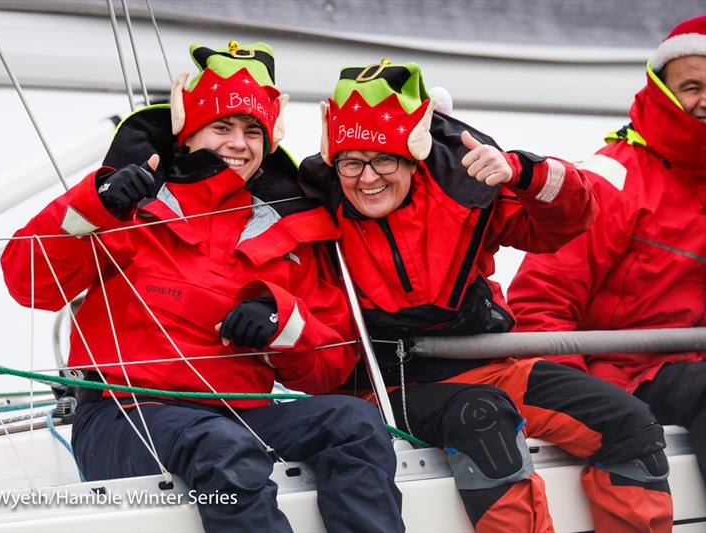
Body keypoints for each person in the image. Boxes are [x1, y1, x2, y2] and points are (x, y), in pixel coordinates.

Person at [0, 41, 405, 533]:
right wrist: (96, 207)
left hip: (239, 415)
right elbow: (29, 283)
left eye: (252, 130)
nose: (239, 142)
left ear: (269, 142)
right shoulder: (128, 203)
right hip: (123, 415)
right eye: (222, 127)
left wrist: (282, 324)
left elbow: (331, 365)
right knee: (221, 447)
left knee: (354, 425)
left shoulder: (288, 231)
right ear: (187, 134)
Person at [297, 59, 673, 532]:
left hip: (491, 366)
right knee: (484, 420)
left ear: (414, 157)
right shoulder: (309, 204)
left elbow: (566, 225)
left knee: (631, 423)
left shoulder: (465, 187)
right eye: (351, 162)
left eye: (384, 159)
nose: (367, 177)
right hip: (385, 387)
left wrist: (523, 172)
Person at [508, 16, 706, 486]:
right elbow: (539, 305)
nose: (704, 100)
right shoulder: (607, 181)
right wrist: (587, 404)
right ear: (660, 89)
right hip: (623, 379)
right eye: (692, 86)